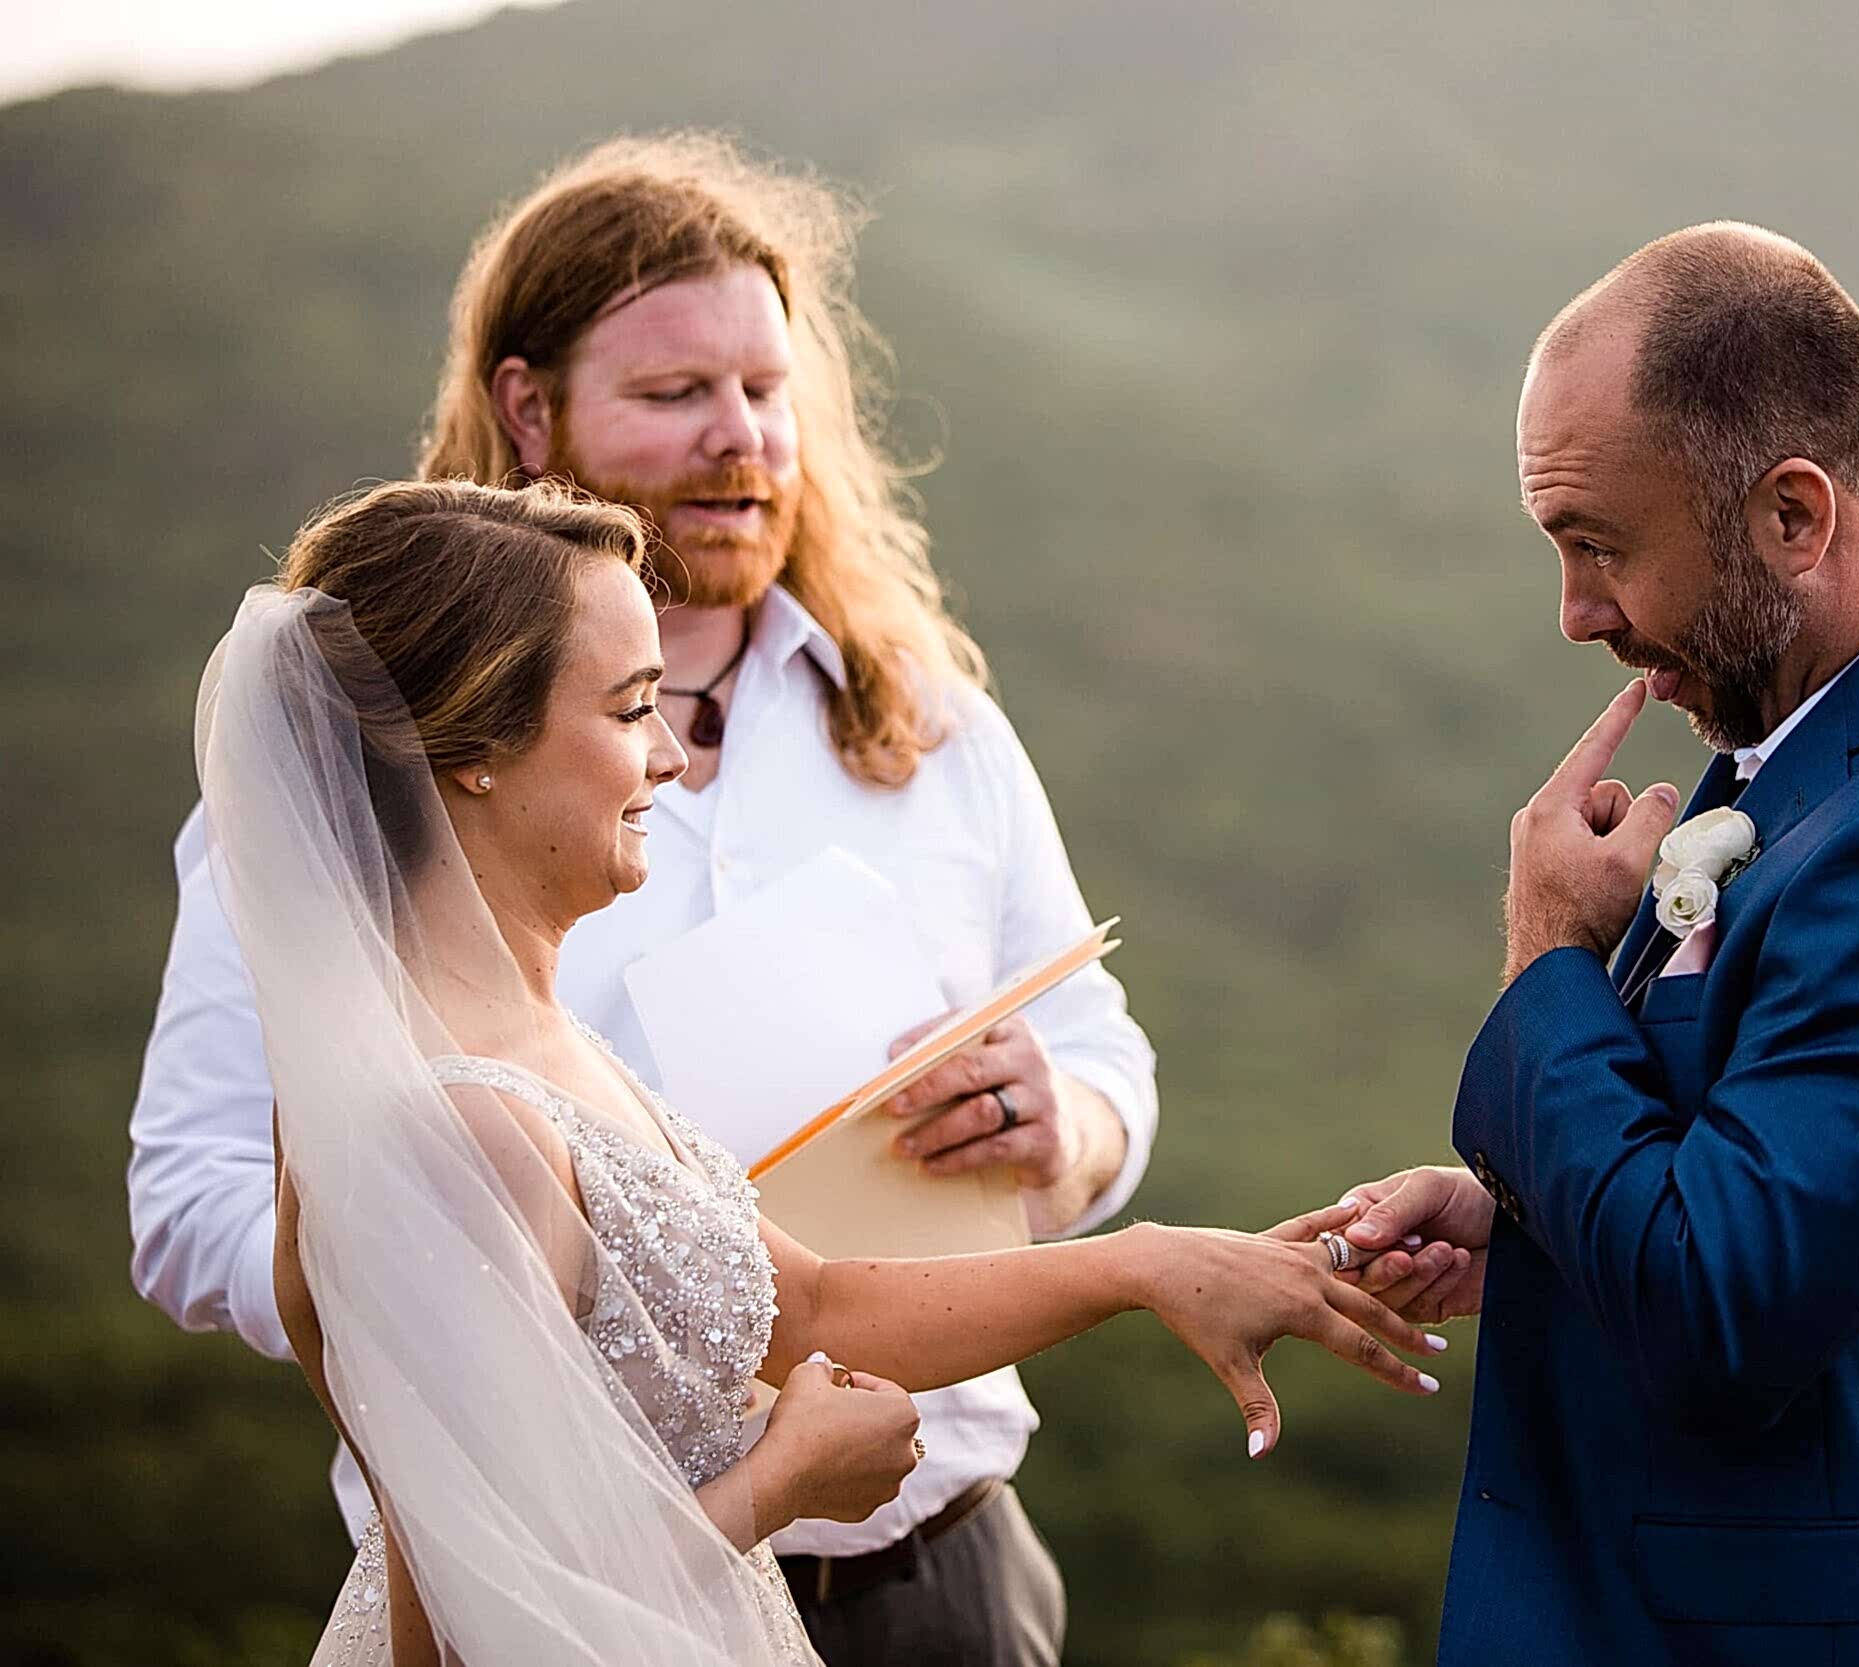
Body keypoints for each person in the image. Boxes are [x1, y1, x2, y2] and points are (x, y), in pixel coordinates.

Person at [132, 134, 1157, 1661]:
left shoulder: (933, 721)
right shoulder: (354, 772)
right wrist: (505, 1263)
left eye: (768, 389)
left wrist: (1059, 1122)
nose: (740, 439)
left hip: (937, 1556)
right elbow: (192, 1193)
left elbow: (1104, 1053)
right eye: (678, 396)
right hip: (540, 1584)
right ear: (527, 405)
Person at [205, 478, 1440, 1666]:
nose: (674, 758)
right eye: (633, 707)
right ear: (475, 744)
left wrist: (1150, 1263)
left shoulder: (540, 1047)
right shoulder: (452, 1121)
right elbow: (481, 1624)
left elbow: (812, 1309)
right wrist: (783, 1480)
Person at [1287, 225, 1859, 1665]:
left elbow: (1719, 1309)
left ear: (1796, 515)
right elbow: (1817, 1206)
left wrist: (1553, 953)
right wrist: (1532, 1223)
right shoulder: (1832, 737)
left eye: (1601, 547)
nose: (1578, 615)